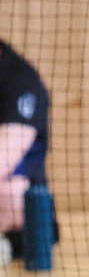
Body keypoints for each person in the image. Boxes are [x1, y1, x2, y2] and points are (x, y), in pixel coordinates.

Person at [0, 38, 50, 259]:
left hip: (21, 196)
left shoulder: (18, 78)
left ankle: (11, 243)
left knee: (12, 191)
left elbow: (4, 159)